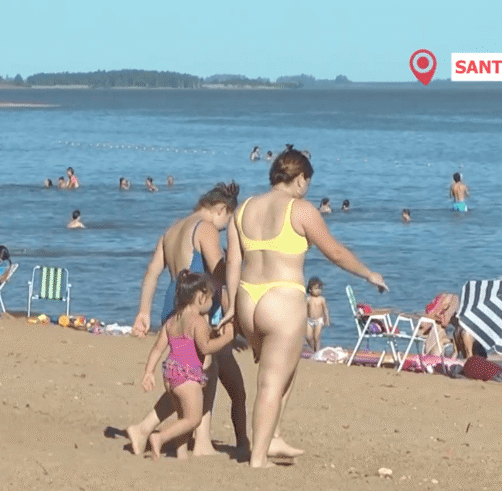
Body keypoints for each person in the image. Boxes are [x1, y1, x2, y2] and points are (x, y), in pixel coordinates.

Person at [224, 144, 387, 468]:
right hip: (281, 298)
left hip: (247, 298)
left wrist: (231, 306)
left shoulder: (243, 209)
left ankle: (274, 436)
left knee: (284, 371)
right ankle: (259, 457)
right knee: (271, 381)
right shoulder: (299, 209)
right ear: (299, 179)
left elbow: (233, 260)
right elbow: (336, 253)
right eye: (307, 183)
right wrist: (369, 273)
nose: (307, 189)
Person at [129, 182, 249, 458]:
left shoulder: (172, 229)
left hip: (173, 309)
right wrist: (236, 314)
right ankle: (201, 443)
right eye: (226, 222)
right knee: (203, 372)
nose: (222, 229)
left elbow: (152, 272)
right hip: (195, 312)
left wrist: (143, 312)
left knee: (189, 375)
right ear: (222, 210)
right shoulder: (204, 228)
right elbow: (220, 274)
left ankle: (147, 429)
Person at [139, 271, 237, 460]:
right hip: (187, 376)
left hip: (171, 373)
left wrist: (149, 372)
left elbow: (158, 349)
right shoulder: (198, 322)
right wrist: (227, 338)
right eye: (211, 297)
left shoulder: (172, 321)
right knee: (193, 419)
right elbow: (206, 348)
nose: (211, 302)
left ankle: (181, 453)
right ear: (201, 298)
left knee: (183, 417)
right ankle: (159, 438)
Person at [305, 277, 331, 352]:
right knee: (308, 337)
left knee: (316, 337)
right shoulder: (308, 299)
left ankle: (317, 351)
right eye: (316, 289)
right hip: (309, 320)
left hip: (319, 320)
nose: (318, 291)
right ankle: (313, 349)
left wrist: (327, 319)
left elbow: (325, 310)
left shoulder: (321, 299)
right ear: (310, 289)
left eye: (319, 289)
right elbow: (304, 309)